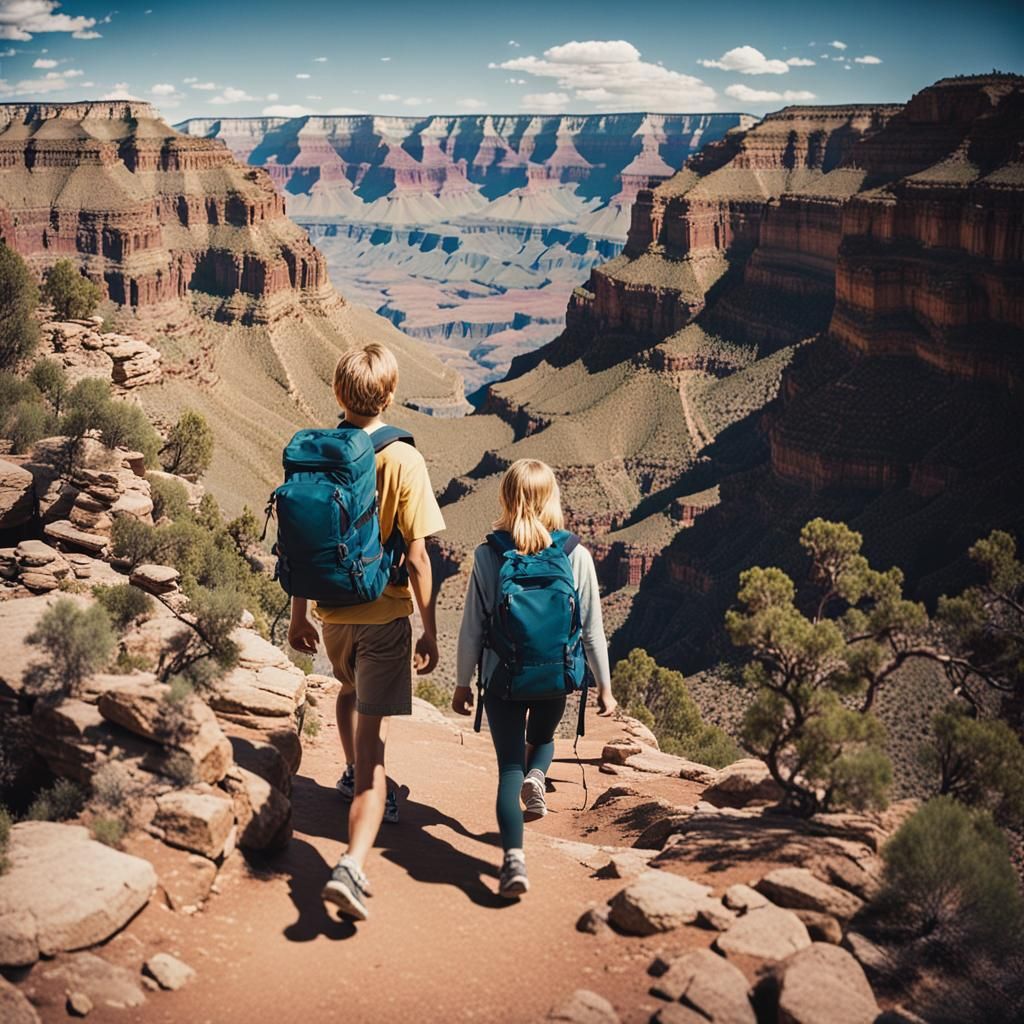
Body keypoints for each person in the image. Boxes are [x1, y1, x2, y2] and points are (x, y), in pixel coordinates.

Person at [288, 343, 445, 922]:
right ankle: (352, 864)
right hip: (383, 614)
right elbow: (422, 556)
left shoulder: (321, 452)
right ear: (392, 394)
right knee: (375, 749)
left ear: (338, 394)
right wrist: (429, 630)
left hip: (331, 615)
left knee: (348, 692)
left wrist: (300, 614)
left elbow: (305, 545)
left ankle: (350, 767)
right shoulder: (404, 459)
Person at [452, 458, 616, 898]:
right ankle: (539, 778)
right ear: (552, 501)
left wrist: (463, 683)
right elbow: (592, 629)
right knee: (541, 740)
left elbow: (471, 627)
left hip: (503, 679)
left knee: (508, 767)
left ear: (506, 498)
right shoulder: (575, 554)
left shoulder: (489, 555)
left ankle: (513, 861)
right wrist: (605, 687)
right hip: (555, 678)